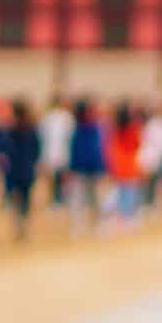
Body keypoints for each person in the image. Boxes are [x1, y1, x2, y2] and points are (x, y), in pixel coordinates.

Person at [0, 98, 42, 244]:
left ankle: (19, 225)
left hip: (15, 171)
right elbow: (37, 150)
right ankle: (23, 225)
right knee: (26, 200)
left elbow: (4, 151)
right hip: (26, 170)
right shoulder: (30, 130)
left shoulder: (10, 130)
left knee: (16, 199)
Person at [67, 98, 108, 234]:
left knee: (95, 198)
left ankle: (97, 224)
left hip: (93, 169)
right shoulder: (78, 130)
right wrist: (72, 169)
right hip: (81, 169)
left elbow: (99, 150)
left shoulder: (96, 128)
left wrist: (102, 168)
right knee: (78, 199)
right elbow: (74, 150)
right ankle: (78, 225)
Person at [38, 95, 74, 208]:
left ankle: (58, 199)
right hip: (57, 151)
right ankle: (58, 199)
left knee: (57, 177)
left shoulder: (63, 117)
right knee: (57, 177)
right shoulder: (64, 117)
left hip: (56, 151)